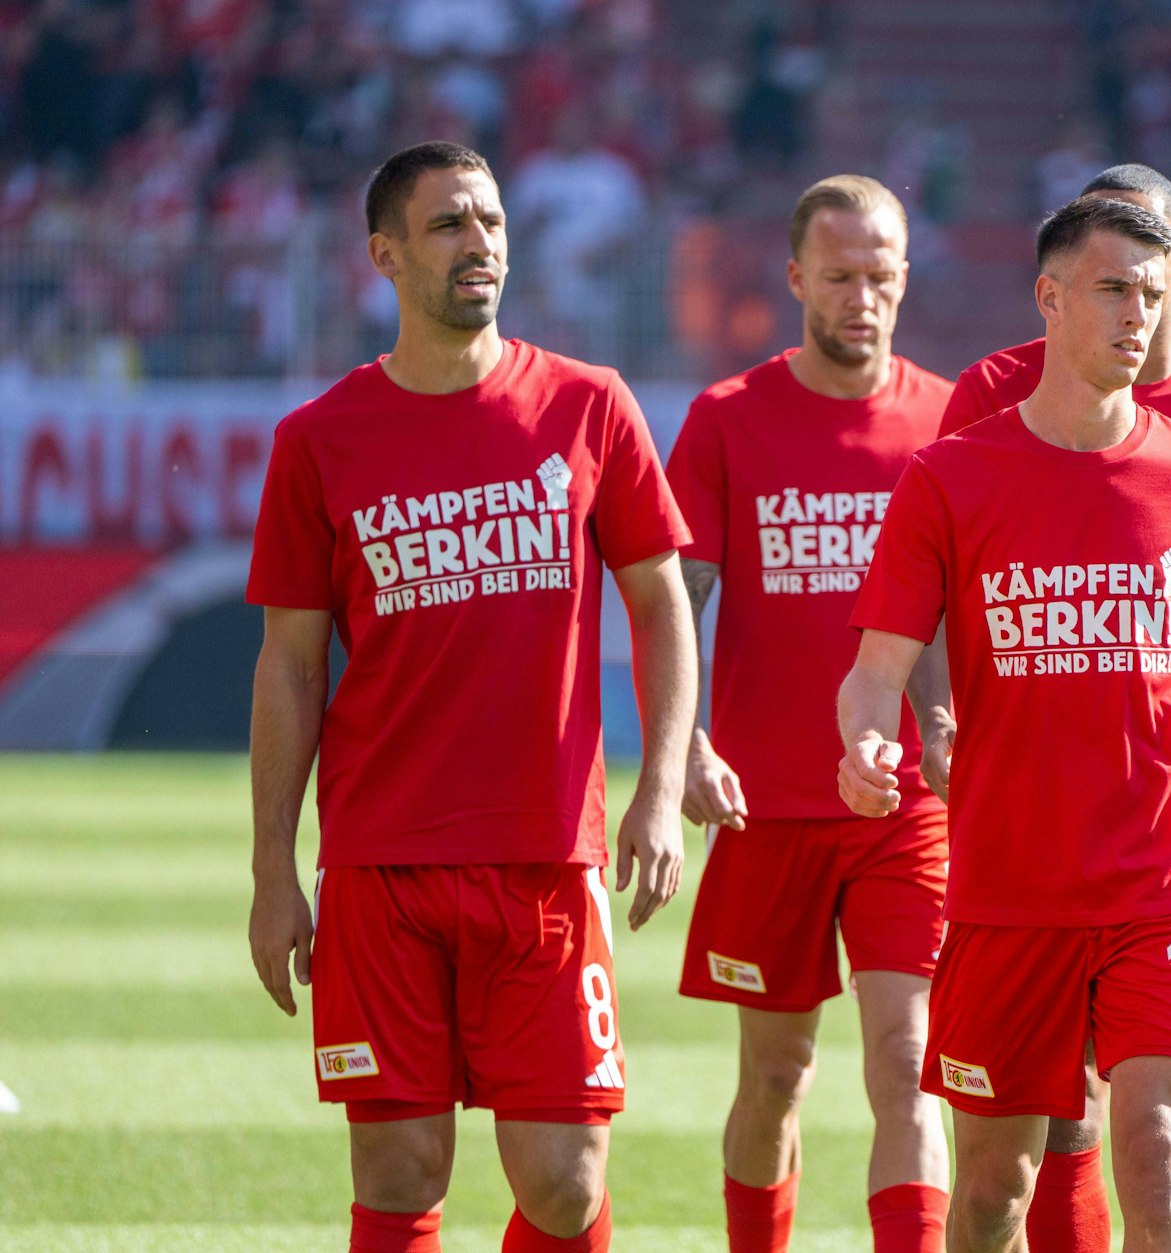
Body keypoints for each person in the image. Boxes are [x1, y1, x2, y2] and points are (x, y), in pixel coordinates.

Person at [838, 195, 1171, 1253]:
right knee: (990, 1195)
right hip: (1007, 890)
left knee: (1155, 1149)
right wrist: (866, 740)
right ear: (1048, 298)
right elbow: (876, 664)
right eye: (1111, 289)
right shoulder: (949, 478)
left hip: (1168, 878)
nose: (1135, 316)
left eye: (1151, 295)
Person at [245, 141, 696, 1253]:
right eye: (448, 224)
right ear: (384, 256)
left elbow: (661, 602)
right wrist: (270, 869)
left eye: (490, 221)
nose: (480, 243)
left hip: (543, 854)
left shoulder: (587, 406)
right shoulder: (318, 440)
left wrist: (661, 779)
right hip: (377, 862)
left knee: (566, 1183)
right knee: (400, 1172)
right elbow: (291, 665)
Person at [669, 174, 953, 1253]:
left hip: (901, 805)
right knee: (776, 1072)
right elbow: (674, 604)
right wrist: (684, 741)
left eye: (880, 276)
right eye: (839, 276)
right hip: (766, 802)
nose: (861, 297)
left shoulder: (945, 418)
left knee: (905, 1058)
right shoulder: (727, 420)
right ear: (795, 278)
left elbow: (961, 608)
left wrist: (949, 724)